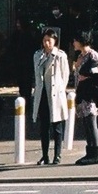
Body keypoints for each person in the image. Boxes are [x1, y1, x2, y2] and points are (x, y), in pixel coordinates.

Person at [32, 27, 69, 165]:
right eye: (44, 40)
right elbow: (36, 74)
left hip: (55, 94)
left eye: (49, 40)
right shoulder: (37, 55)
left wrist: (60, 89)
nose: (47, 43)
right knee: (44, 127)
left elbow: (65, 75)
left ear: (55, 41)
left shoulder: (60, 56)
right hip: (42, 94)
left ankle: (57, 155)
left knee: (57, 126)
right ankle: (45, 155)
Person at [72, 31, 98, 165]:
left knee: (91, 122)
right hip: (82, 93)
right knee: (86, 123)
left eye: (75, 40)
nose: (73, 43)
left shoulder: (93, 55)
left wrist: (87, 76)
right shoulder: (81, 55)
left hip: (91, 94)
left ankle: (96, 153)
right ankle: (90, 152)